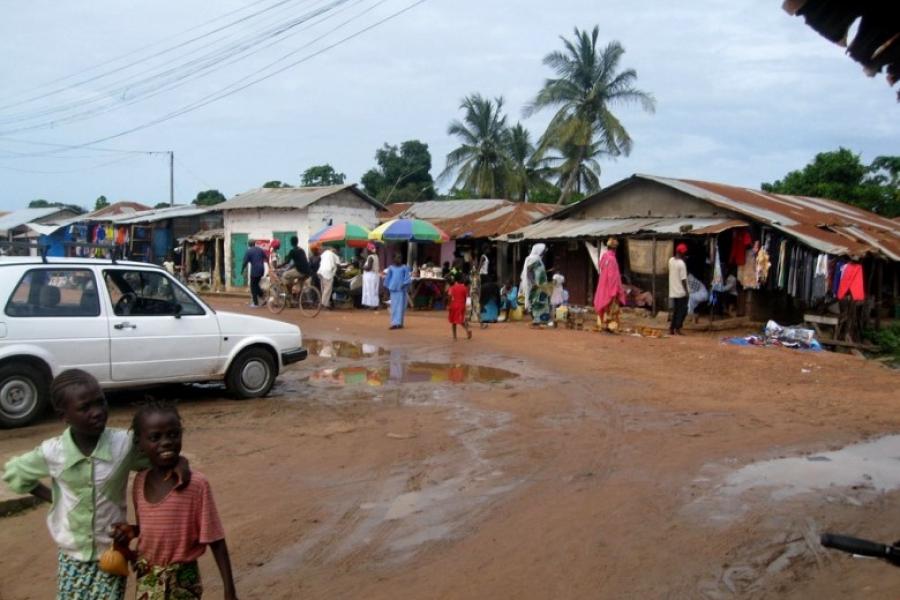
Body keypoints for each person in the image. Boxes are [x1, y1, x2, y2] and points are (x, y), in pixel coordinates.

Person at [2, 370, 189, 600]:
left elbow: (158, 457)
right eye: (85, 408)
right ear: (64, 416)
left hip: (111, 551)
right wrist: (56, 499)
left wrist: (180, 462)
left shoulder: (123, 444)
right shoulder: (54, 452)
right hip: (71, 553)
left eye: (101, 402)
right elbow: (15, 472)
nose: (97, 412)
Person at [116, 401, 237, 600]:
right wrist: (130, 533)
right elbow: (150, 528)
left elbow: (216, 539)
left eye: (173, 434)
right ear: (139, 443)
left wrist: (229, 590)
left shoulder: (196, 484)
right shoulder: (139, 482)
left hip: (183, 577)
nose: (166, 442)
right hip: (148, 578)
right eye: (155, 437)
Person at [593, 238, 627, 332]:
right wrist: (615, 289)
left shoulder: (604, 258)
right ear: (614, 249)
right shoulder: (612, 259)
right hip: (610, 287)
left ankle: (602, 325)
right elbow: (613, 276)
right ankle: (610, 326)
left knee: (604, 306)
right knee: (612, 308)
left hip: (603, 286)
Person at [521, 243, 552, 327]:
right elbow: (528, 271)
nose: (544, 252)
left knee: (543, 301)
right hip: (537, 285)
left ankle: (543, 320)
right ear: (539, 250)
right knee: (537, 301)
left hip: (542, 285)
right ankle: (537, 320)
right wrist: (534, 282)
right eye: (543, 251)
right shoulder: (533, 259)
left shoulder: (538, 259)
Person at [384, 253, 411, 329]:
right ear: (394, 259)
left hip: (401, 290)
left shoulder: (404, 268)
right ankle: (394, 323)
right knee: (394, 307)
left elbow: (407, 278)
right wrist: (386, 290)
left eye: (400, 258)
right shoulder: (391, 268)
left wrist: (404, 284)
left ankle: (400, 323)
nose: (399, 259)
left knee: (401, 307)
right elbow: (387, 279)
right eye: (397, 257)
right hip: (393, 289)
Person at [669, 243, 689, 335]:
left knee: (676, 310)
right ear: (681, 253)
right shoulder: (682, 264)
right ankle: (678, 327)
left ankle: (671, 328)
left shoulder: (671, 260)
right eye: (684, 253)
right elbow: (683, 279)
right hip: (681, 291)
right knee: (683, 311)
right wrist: (687, 291)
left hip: (673, 291)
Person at [241, 241, 267, 308]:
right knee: (256, 285)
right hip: (262, 270)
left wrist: (242, 270)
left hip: (255, 270)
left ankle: (255, 303)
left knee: (253, 286)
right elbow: (266, 257)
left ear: (249, 244)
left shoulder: (249, 251)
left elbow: (245, 262)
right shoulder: (260, 249)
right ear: (254, 244)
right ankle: (263, 297)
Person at [447, 273, 472, 340]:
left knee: (453, 322)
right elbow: (466, 297)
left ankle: (455, 337)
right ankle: (467, 330)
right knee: (461, 320)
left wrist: (448, 305)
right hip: (462, 305)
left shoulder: (452, 287)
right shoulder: (464, 288)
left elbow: (449, 296)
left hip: (454, 305)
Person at [361, 243, 381, 310]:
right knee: (374, 290)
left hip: (370, 276)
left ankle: (371, 305)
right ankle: (374, 304)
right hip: (375, 275)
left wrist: (362, 267)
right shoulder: (376, 256)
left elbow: (369, 268)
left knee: (370, 290)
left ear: (369, 250)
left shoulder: (370, 257)